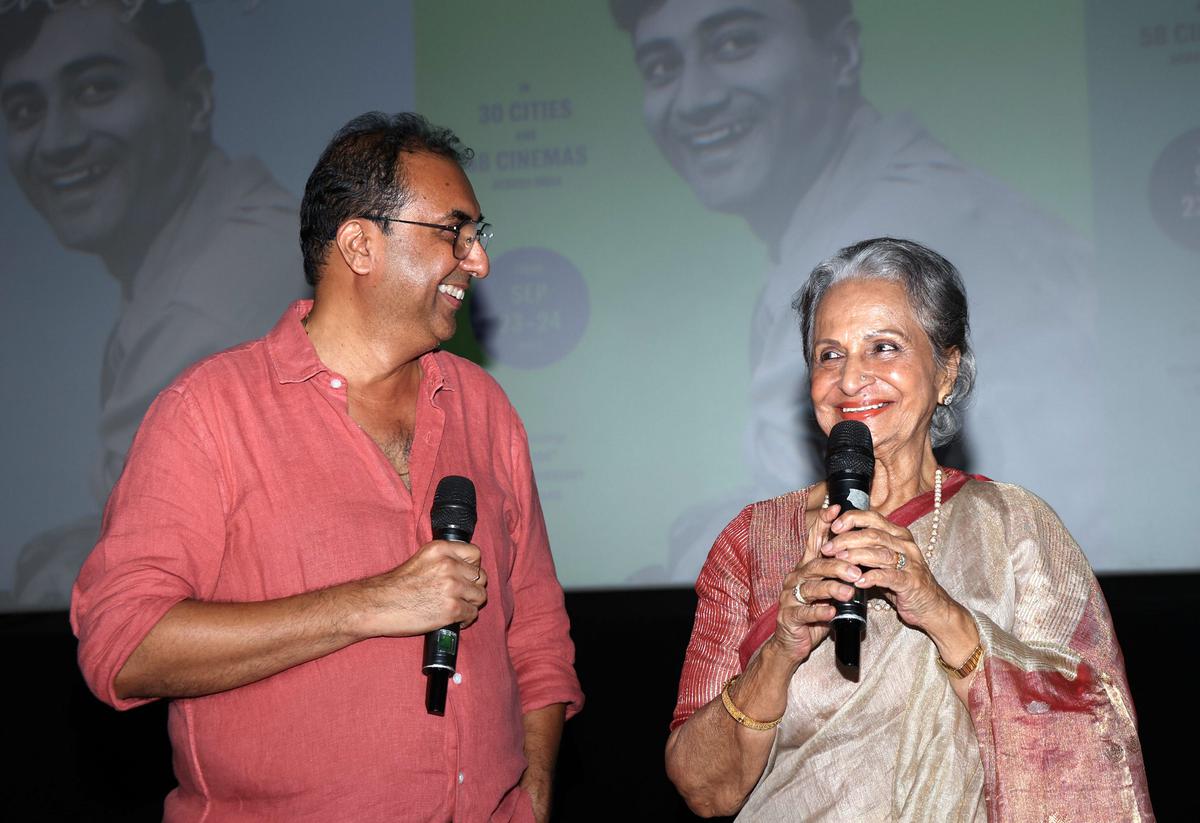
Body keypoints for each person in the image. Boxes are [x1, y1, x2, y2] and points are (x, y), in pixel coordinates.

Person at [70, 111, 583, 821]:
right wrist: (372, 602)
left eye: (478, 236)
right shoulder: (207, 415)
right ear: (359, 245)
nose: (479, 260)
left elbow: (537, 632)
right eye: (454, 232)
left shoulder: (484, 408)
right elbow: (122, 645)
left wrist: (534, 791)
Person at [610, 0, 1104, 583]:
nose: (696, 98)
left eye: (733, 45)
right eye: (663, 66)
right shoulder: (826, 230)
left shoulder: (895, 225)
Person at [665, 238, 1152, 821]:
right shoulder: (754, 539)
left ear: (946, 370)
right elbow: (702, 788)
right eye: (828, 355)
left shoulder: (1017, 526)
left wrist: (939, 611)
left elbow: (1097, 736)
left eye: (884, 347)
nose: (851, 380)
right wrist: (781, 650)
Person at [0, 0, 304, 605]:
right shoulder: (211, 242)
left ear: (194, 102)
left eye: (93, 89)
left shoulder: (209, 300)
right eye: (25, 109)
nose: (56, 141)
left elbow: (144, 582)